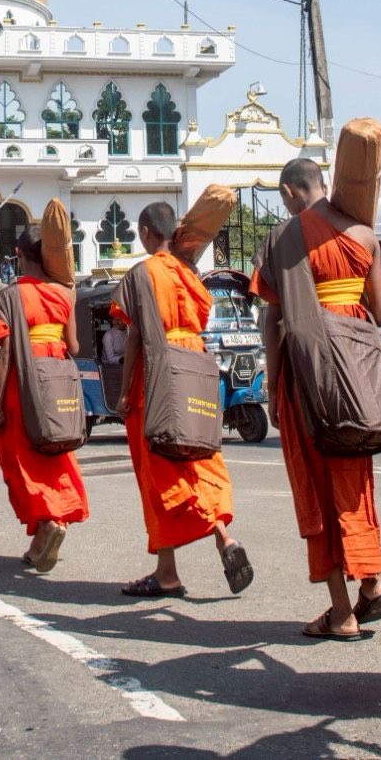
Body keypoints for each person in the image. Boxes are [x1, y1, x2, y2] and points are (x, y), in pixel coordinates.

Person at [256, 158, 381, 641]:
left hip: (308, 374)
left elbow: (274, 320)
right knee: (354, 481)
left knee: (315, 485)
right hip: (358, 375)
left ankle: (341, 612)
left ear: (290, 192)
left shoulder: (284, 238)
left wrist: (274, 386)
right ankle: (372, 580)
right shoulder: (364, 235)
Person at [114, 202, 252, 598]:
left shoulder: (143, 273)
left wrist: (124, 391)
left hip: (159, 370)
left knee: (161, 470)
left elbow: (135, 336)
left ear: (145, 233)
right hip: (196, 365)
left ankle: (172, 570)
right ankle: (217, 539)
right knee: (199, 454)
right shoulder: (189, 273)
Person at [0, 231, 89, 571]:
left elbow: (5, 352)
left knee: (20, 457)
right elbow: (74, 346)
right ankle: (42, 538)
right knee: (57, 450)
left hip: (24, 380)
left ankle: (48, 520)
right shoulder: (64, 293)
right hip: (58, 377)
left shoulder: (9, 296)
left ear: (19, 253)